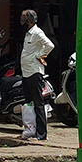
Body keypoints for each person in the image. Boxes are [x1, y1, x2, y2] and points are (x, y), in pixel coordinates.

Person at [17, 8, 54, 142]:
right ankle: (29, 130)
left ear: (29, 19)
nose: (22, 20)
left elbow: (50, 45)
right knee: (28, 103)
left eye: (23, 17)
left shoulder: (37, 32)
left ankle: (42, 134)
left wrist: (39, 55)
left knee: (38, 103)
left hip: (34, 72)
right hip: (26, 72)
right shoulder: (28, 33)